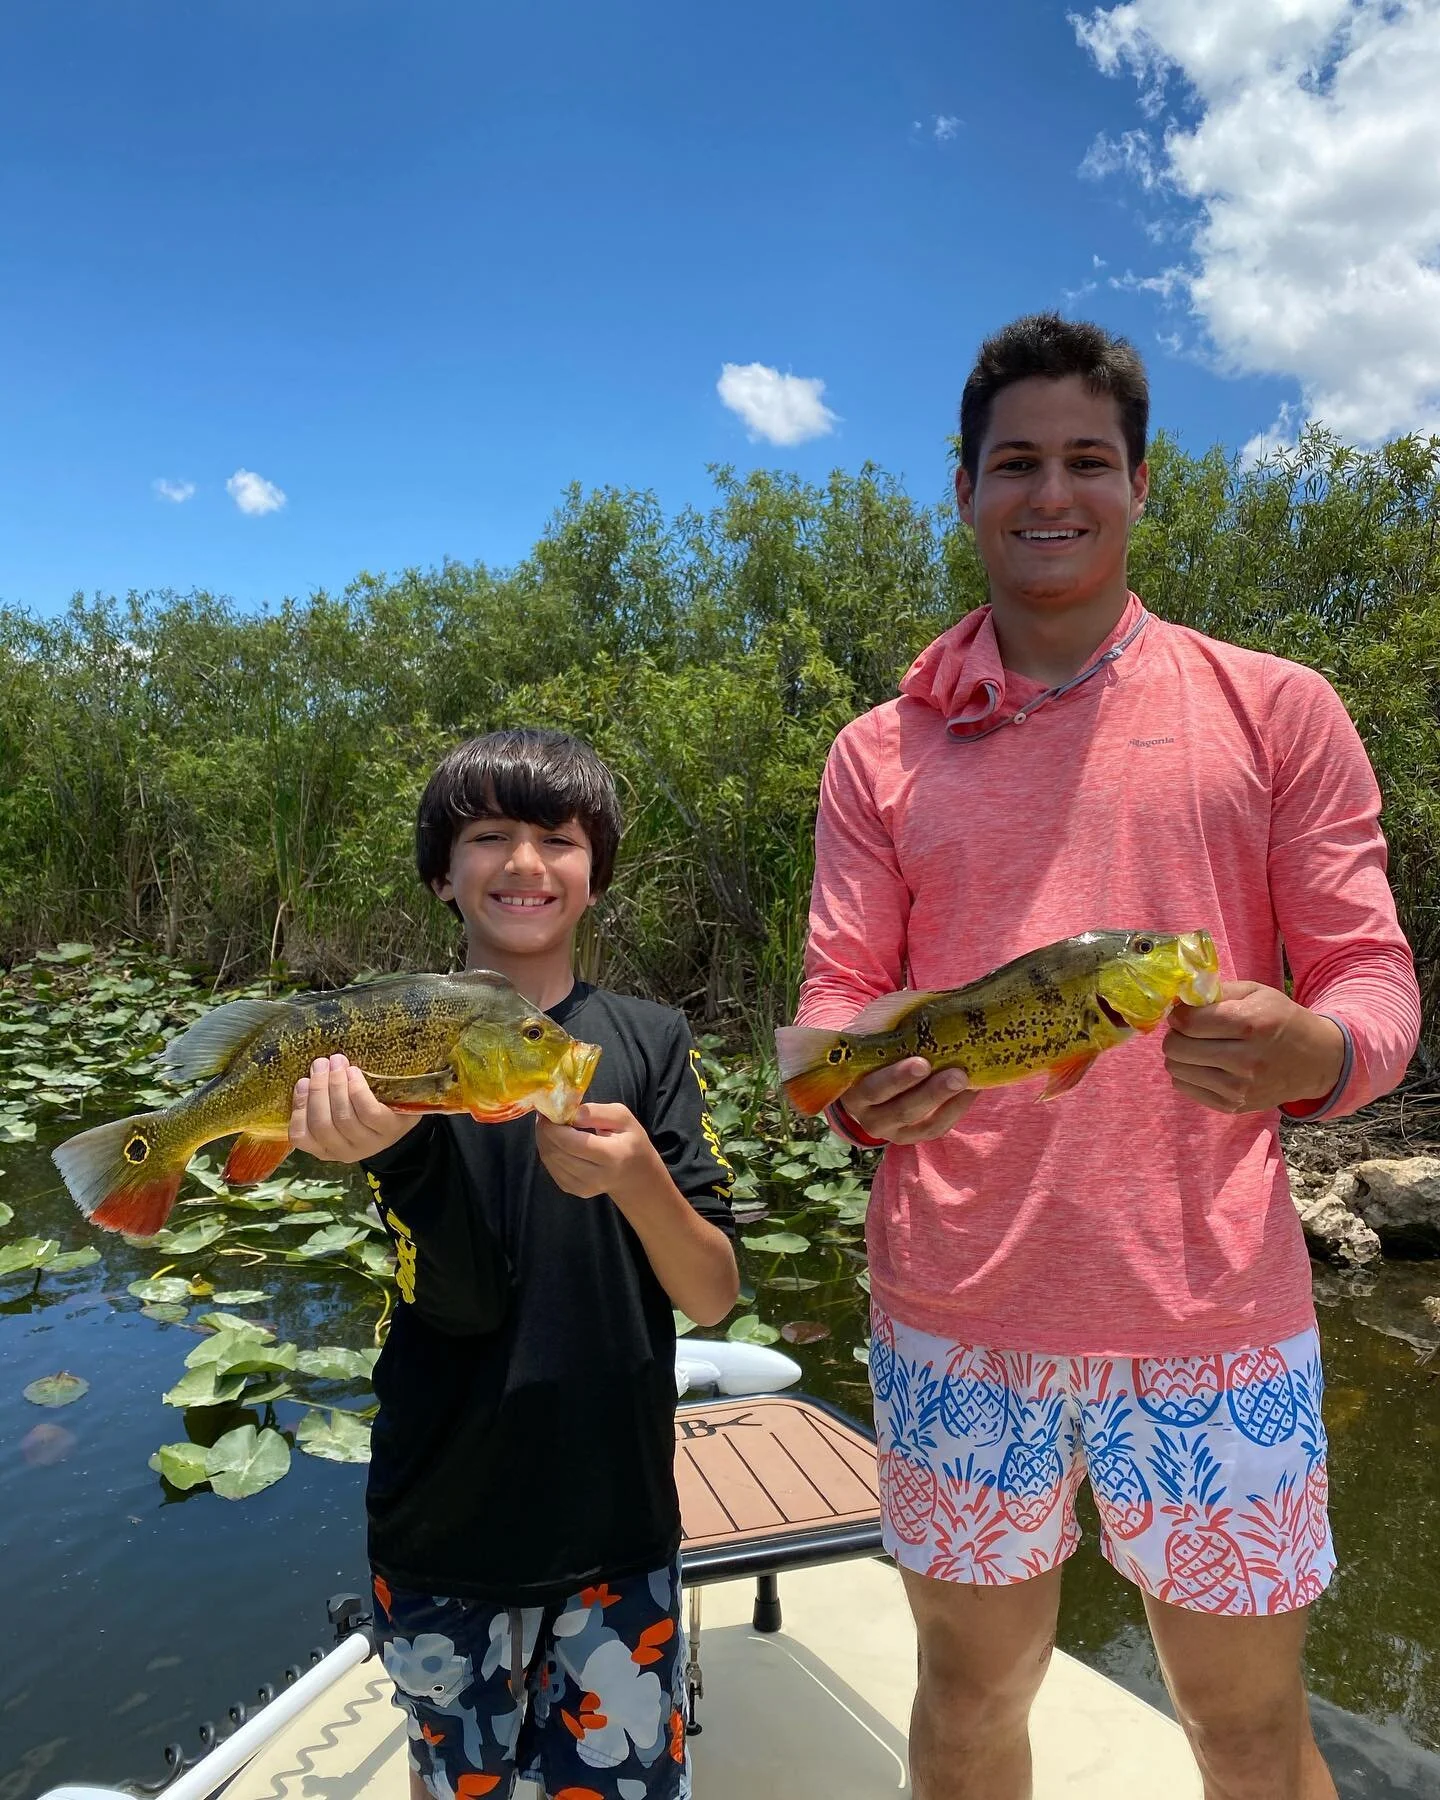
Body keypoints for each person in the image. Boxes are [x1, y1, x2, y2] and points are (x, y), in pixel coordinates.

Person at [795, 314, 1421, 1800]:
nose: (1051, 492)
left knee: (1252, 1729)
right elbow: (837, 999)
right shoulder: (878, 751)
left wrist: (1316, 1054)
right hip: (954, 1308)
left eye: (1088, 459)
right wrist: (858, 1097)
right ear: (963, 489)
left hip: (1213, 1311)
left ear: (1144, 485)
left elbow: (1373, 979)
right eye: (1016, 462)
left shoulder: (1279, 709)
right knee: (968, 1698)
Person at [289, 726, 739, 1800]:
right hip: (446, 1522)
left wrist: (636, 1178)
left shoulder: (649, 1040)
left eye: (559, 839)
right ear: (443, 876)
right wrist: (398, 1156)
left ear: (596, 876)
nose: (526, 863)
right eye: (489, 837)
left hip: (615, 1524)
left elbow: (712, 1293)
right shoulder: (390, 1051)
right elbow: (461, 1298)